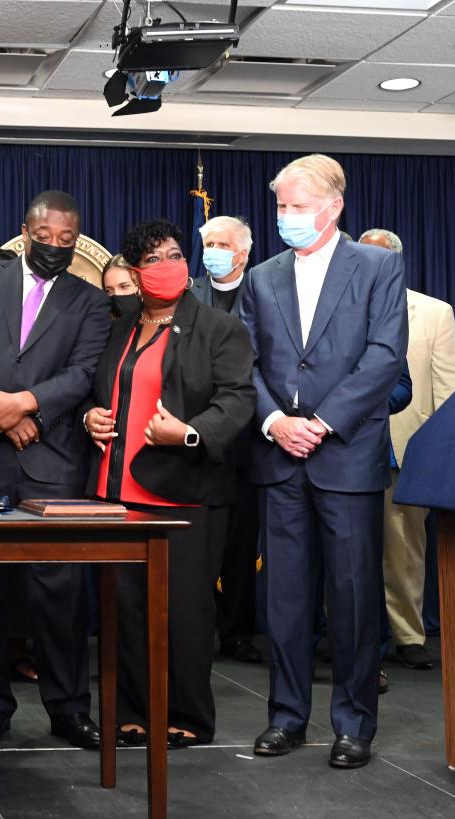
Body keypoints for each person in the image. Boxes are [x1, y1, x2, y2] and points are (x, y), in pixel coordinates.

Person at [240, 154, 407, 770]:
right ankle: (286, 718)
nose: (287, 217)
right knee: (283, 599)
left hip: (346, 456)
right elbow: (246, 364)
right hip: (280, 457)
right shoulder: (262, 277)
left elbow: (386, 355)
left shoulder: (378, 266)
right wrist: (275, 421)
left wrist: (323, 421)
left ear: (334, 206)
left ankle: (353, 723)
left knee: (353, 597)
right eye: (281, 207)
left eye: (298, 207)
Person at [0, 190, 113, 749]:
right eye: (45, 237)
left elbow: (84, 373)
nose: (55, 247)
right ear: (25, 231)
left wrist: (28, 403)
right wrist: (1, 414)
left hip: (53, 459)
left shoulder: (90, 300)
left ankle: (68, 708)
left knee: (59, 595)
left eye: (66, 240)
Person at [82, 219, 255, 747]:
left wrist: (190, 433)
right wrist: (89, 416)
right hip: (118, 492)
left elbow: (238, 398)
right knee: (126, 610)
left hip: (184, 495)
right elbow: (102, 390)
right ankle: (134, 710)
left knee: (185, 611)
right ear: (135, 273)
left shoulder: (219, 328)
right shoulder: (120, 326)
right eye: (154, 259)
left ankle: (188, 716)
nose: (169, 266)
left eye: (175, 254)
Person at [359, 228, 455, 671]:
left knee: (403, 548)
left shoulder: (434, 312)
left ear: (395, 263)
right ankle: (343, 632)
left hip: (403, 450)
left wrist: (441, 455)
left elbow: (448, 389)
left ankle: (407, 634)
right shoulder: (336, 307)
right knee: (344, 549)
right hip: (340, 448)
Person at [191, 215, 262, 664]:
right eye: (208, 243)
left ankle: (238, 630)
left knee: (241, 542)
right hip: (197, 432)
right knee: (200, 543)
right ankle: (199, 628)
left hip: (250, 439)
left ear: (243, 253)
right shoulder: (187, 293)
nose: (213, 249)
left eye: (222, 243)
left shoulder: (266, 291)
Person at [100, 254, 141, 319]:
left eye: (123, 286)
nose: (117, 294)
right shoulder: (102, 325)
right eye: (109, 291)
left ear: (139, 285)